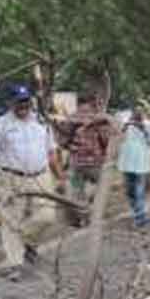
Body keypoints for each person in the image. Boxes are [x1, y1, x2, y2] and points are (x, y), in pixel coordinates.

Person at [0, 86, 64, 278]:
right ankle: (16, 264)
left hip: (41, 176)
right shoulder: (0, 125)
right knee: (11, 219)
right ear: (10, 103)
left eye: (26, 101)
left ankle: (26, 242)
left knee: (47, 216)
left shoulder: (41, 122)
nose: (23, 105)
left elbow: (51, 151)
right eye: (19, 101)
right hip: (12, 177)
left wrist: (60, 176)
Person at [55, 93, 117, 224]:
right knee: (101, 188)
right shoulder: (100, 118)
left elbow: (62, 141)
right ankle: (92, 214)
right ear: (91, 102)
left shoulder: (71, 119)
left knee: (76, 190)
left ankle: (79, 217)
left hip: (77, 163)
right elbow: (107, 140)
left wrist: (71, 146)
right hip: (96, 163)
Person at [118, 101, 150, 228]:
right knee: (129, 192)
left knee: (139, 192)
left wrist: (143, 129)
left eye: (140, 110)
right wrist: (126, 125)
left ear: (144, 112)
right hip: (126, 163)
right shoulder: (125, 123)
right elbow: (117, 137)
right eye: (135, 110)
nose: (137, 113)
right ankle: (138, 213)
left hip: (142, 164)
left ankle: (140, 219)